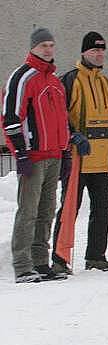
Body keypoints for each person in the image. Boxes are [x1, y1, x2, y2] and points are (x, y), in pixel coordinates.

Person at [2, 27, 72, 283]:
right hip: (33, 155)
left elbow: (62, 119)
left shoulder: (54, 82)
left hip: (54, 155)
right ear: (32, 48)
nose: (48, 50)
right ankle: (22, 265)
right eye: (43, 45)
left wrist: (65, 150)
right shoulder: (23, 77)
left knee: (47, 210)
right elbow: (10, 117)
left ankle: (41, 262)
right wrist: (20, 152)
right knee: (28, 211)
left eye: (51, 45)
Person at [51, 32, 108, 274]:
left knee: (102, 209)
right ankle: (60, 259)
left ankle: (96, 256)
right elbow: (58, 116)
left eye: (102, 51)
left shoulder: (107, 84)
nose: (99, 54)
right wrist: (72, 135)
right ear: (83, 52)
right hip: (77, 157)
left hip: (102, 157)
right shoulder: (70, 80)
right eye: (94, 51)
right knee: (69, 208)